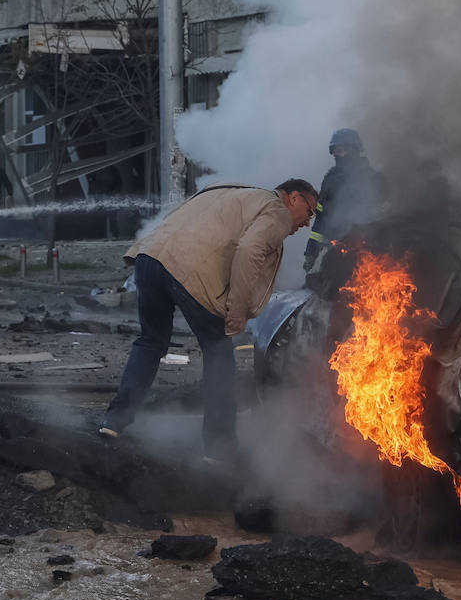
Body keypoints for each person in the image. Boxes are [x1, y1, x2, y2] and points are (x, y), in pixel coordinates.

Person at [100, 179, 319, 451]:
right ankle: (220, 446)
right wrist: (237, 311)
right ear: (294, 197)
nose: (307, 223)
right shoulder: (276, 210)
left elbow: (176, 219)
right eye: (309, 211)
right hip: (188, 271)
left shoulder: (229, 190)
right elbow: (250, 251)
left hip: (150, 259)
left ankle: (114, 420)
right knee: (219, 355)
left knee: (150, 342)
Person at [303, 128, 386, 276]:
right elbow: (321, 220)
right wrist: (311, 252)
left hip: (368, 253)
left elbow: (383, 217)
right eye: (336, 150)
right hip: (337, 251)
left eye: (344, 149)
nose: (339, 154)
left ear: (355, 149)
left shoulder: (374, 178)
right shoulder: (330, 180)